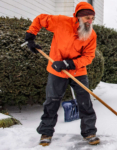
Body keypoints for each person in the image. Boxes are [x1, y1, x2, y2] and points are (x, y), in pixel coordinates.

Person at [24, 2, 99, 146]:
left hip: (78, 71)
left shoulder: (91, 35)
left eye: (92, 18)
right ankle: (46, 132)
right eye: (87, 18)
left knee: (85, 102)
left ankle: (89, 132)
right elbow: (40, 19)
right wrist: (30, 37)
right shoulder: (61, 22)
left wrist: (69, 64)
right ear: (78, 17)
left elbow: (88, 57)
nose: (90, 21)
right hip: (56, 71)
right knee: (51, 102)